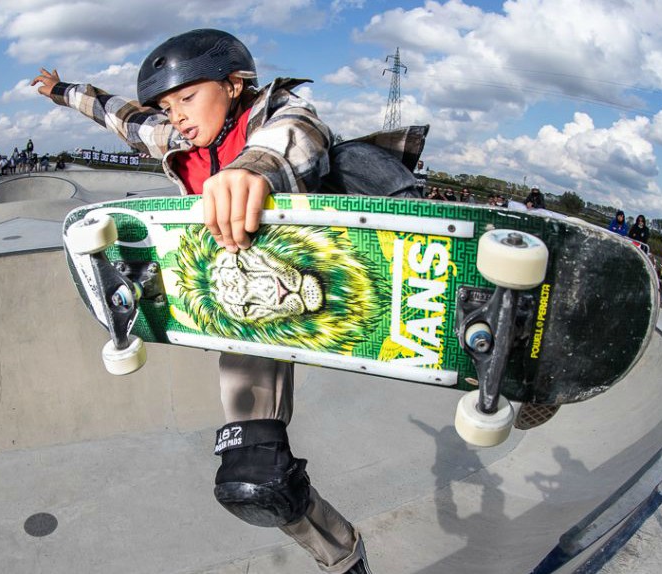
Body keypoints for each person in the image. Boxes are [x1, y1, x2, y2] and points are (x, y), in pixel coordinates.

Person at [32, 29, 412, 574]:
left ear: (235, 85)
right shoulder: (174, 137)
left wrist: (252, 169)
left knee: (350, 158)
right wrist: (61, 90)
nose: (178, 115)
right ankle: (343, 557)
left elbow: (298, 133)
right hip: (250, 312)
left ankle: (511, 343)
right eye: (168, 105)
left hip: (340, 259)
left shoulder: (273, 112)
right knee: (253, 478)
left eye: (187, 98)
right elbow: (119, 115)